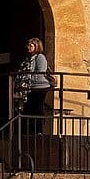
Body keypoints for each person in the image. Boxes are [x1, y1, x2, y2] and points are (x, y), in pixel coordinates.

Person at [13, 37, 53, 170]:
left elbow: (40, 72)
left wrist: (29, 81)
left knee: (36, 108)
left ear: (37, 46)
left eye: (31, 45)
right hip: (31, 87)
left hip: (40, 86)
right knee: (29, 109)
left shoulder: (40, 57)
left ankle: (38, 132)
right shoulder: (28, 59)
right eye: (28, 45)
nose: (29, 47)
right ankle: (31, 132)